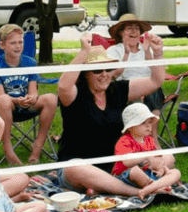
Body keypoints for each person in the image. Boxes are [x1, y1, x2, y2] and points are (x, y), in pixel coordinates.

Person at [54, 34, 167, 196]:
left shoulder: (118, 90)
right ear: (85, 73)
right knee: (75, 168)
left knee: (167, 157)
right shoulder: (75, 94)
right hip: (82, 168)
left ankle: (103, 187)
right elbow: (63, 86)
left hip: (115, 166)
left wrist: (157, 53)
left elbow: (156, 81)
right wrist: (83, 52)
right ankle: (136, 191)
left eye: (108, 68)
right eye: (97, 70)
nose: (104, 74)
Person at [0, 24, 57, 165]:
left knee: (51, 98)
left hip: (26, 103)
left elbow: (33, 90)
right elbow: (0, 95)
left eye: (20, 42)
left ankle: (38, 146)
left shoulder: (30, 63)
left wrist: (32, 97)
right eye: (13, 43)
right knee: (4, 99)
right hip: (5, 106)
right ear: (2, 45)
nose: (18, 46)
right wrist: (16, 100)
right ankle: (8, 149)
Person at [112, 103, 182, 197]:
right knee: (135, 171)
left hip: (148, 174)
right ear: (130, 127)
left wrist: (162, 169)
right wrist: (146, 157)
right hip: (126, 176)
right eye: (143, 123)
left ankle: (150, 189)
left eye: (149, 122)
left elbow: (156, 160)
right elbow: (127, 162)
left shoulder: (149, 140)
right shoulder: (124, 141)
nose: (148, 126)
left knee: (175, 172)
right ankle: (156, 187)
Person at [105, 13, 166, 116]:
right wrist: (126, 55)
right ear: (121, 33)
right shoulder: (114, 50)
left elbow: (157, 75)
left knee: (153, 91)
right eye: (129, 28)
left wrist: (148, 53)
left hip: (150, 90)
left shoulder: (146, 48)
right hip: (127, 91)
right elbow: (113, 75)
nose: (134, 31)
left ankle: (153, 125)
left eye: (137, 28)